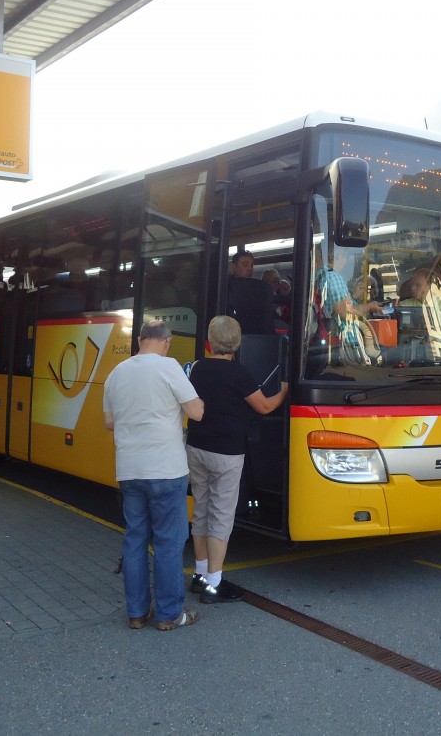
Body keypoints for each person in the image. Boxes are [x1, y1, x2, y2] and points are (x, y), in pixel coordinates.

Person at [102, 319, 205, 632]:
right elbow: (196, 411)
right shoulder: (169, 366)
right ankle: (169, 614)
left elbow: (109, 422)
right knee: (168, 543)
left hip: (129, 470)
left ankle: (136, 613)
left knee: (135, 540)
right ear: (167, 342)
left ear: (139, 340)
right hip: (165, 469)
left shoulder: (116, 373)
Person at [186, 316, 288, 604]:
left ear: (210, 341)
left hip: (196, 447)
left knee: (202, 511)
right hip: (226, 453)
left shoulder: (197, 369)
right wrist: (284, 390)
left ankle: (200, 573)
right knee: (221, 515)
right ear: (237, 343)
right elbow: (265, 406)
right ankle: (214, 585)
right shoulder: (238, 373)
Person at [227, 250, 276, 335]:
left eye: (252, 265)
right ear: (233, 267)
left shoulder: (259, 288)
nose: (250, 268)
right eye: (245, 265)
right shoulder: (228, 287)